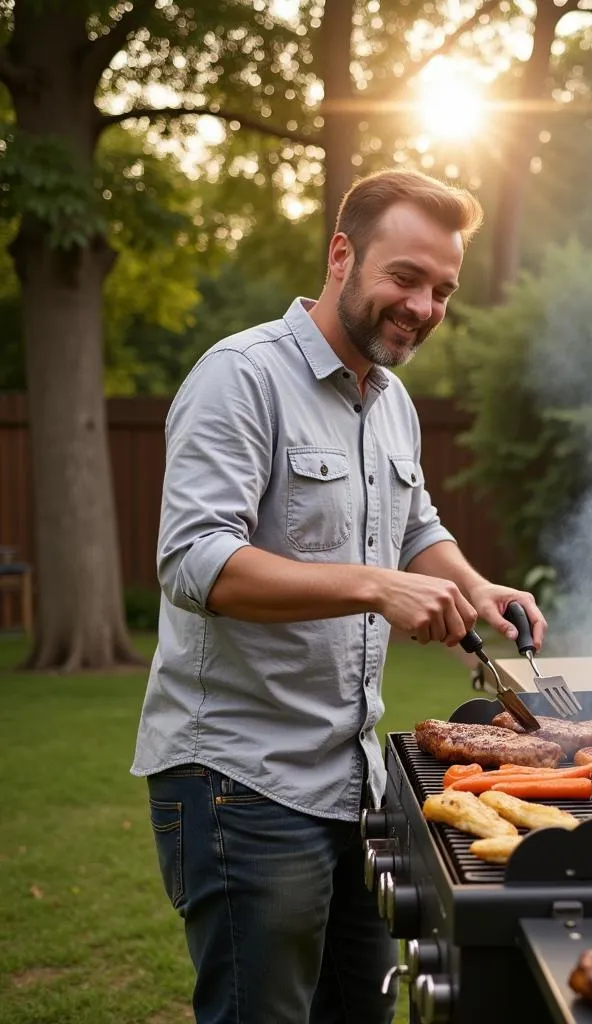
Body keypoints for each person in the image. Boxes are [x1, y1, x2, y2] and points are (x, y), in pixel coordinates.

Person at [131, 168, 547, 1024]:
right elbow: (195, 562)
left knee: (360, 1009)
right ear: (341, 255)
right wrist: (374, 590)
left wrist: (473, 585)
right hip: (241, 779)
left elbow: (412, 525)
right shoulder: (240, 377)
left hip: (352, 779)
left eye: (442, 290)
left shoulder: (390, 401)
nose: (425, 307)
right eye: (406, 278)